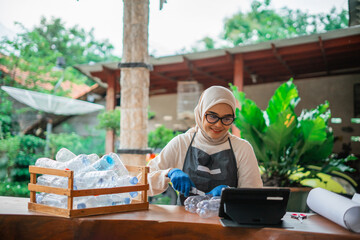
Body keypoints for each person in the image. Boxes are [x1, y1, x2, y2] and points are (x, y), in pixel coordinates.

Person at [147, 86, 263, 204]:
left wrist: (231, 194)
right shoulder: (181, 143)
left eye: (227, 118)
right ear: (200, 113)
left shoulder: (242, 148)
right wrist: (169, 173)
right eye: (212, 116)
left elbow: (254, 197)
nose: (218, 124)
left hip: (227, 221)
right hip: (184, 221)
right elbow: (143, 183)